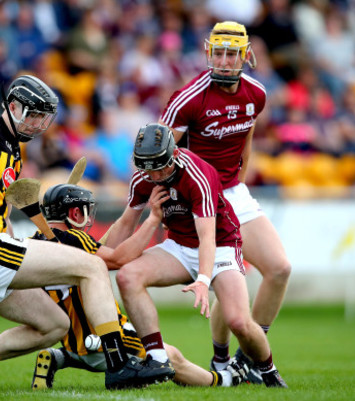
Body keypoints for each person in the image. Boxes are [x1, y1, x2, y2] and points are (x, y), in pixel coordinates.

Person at [0, 74, 174, 391]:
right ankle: (118, 365)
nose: (39, 124)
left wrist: (16, 234)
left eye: (45, 117)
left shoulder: (13, 148)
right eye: (35, 115)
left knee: (55, 325)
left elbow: (4, 205)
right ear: (13, 107)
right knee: (93, 266)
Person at [157, 21, 292, 374]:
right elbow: (157, 154)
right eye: (218, 52)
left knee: (279, 269)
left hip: (233, 192)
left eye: (232, 53)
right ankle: (221, 358)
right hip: (197, 196)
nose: (225, 60)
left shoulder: (256, 94)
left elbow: (246, 138)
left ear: (246, 56)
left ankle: (246, 357)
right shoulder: (187, 99)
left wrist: (240, 183)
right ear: (208, 52)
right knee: (229, 283)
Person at [110, 123, 287, 388]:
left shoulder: (197, 173)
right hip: (180, 246)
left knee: (239, 322)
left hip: (221, 244)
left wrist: (204, 279)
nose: (156, 175)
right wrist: (98, 257)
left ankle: (268, 370)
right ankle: (157, 358)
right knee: (127, 277)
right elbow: (125, 223)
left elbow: (208, 237)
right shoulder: (144, 177)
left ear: (173, 155)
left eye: (160, 166)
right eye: (148, 167)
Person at [29, 183, 250, 389]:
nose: (88, 216)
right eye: (83, 210)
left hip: (72, 339)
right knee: (169, 357)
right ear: (74, 213)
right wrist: (153, 218)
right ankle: (223, 380)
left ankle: (58, 357)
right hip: (103, 337)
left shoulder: (36, 242)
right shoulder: (73, 239)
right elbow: (118, 258)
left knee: (95, 351)